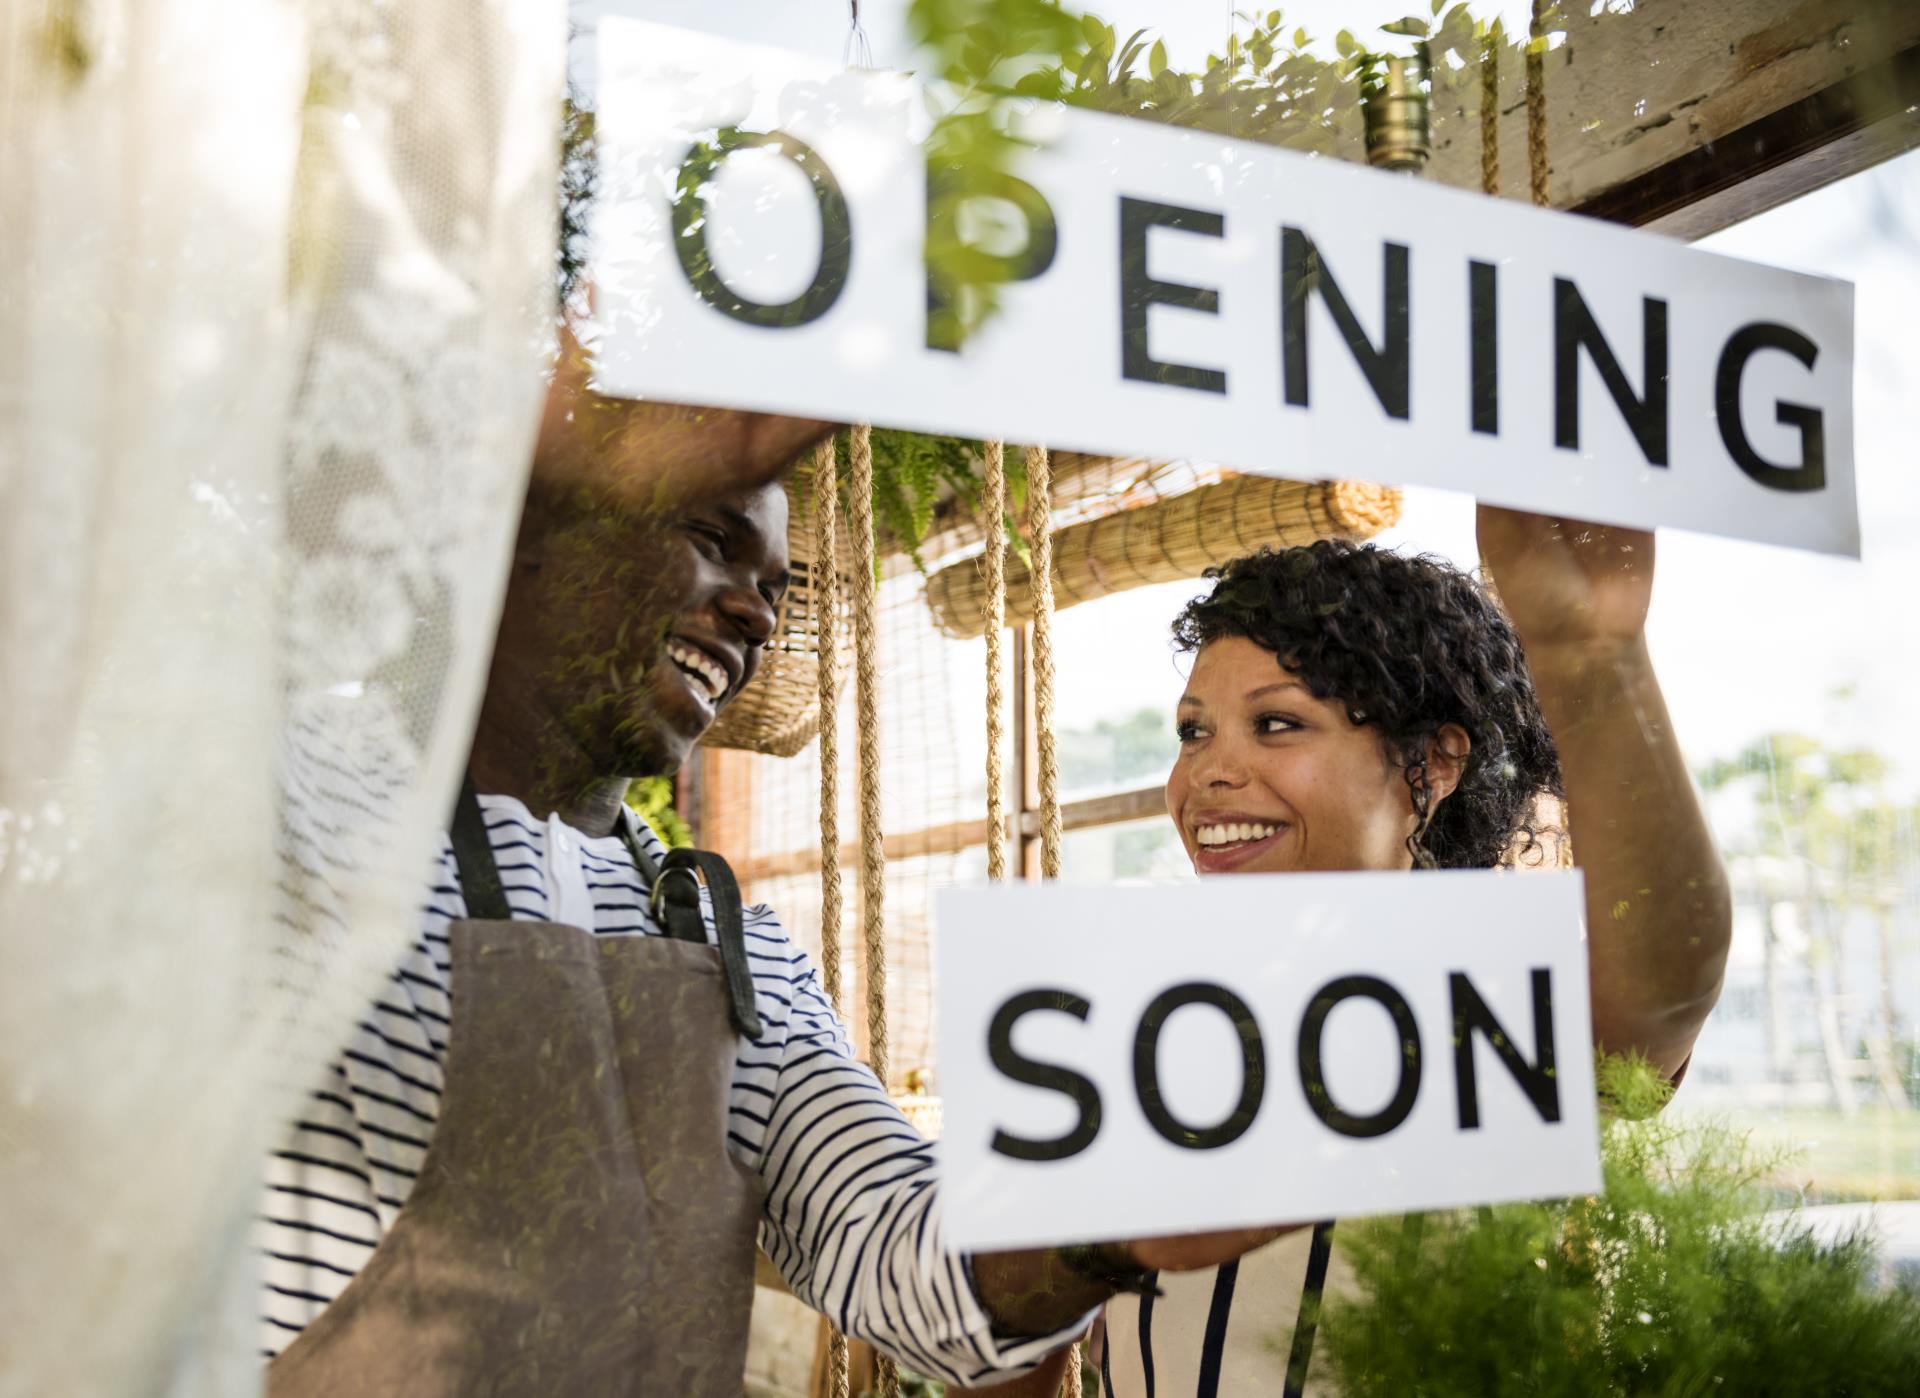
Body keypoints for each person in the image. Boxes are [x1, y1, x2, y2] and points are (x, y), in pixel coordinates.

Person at [257, 336, 1281, 1396]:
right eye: (709, 539)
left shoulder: (721, 945)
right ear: (527, 528)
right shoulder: (282, 803)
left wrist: (1105, 1228)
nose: (754, 614)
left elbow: (899, 1253)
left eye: (773, 587)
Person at [1072, 510, 1733, 1396]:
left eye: (1276, 725)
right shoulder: (1127, 1008)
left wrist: (1593, 659)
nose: (1206, 775)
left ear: (1433, 763)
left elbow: (1657, 1000)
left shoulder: (1482, 1003)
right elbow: (1031, 1328)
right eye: (1194, 730)